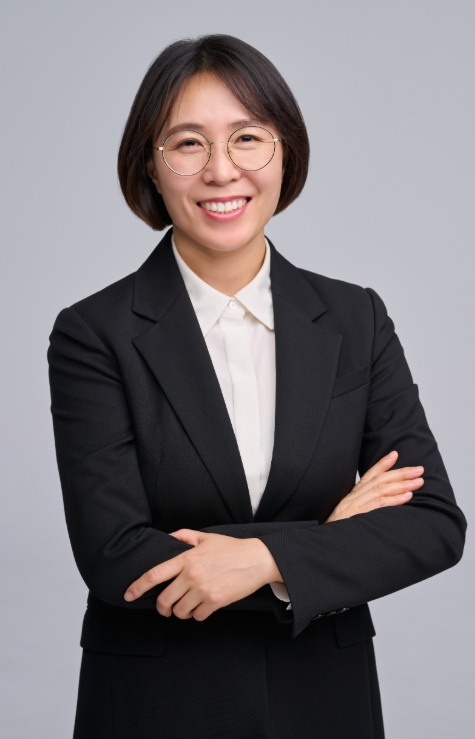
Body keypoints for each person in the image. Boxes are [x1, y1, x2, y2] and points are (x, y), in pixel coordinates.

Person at [47, 34, 466, 739]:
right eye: (188, 143)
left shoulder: (355, 319)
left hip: (325, 700)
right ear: (149, 164)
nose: (221, 170)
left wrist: (264, 559)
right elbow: (115, 553)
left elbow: (431, 523)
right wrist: (325, 541)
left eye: (247, 138)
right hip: (158, 704)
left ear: (284, 152)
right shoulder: (94, 332)